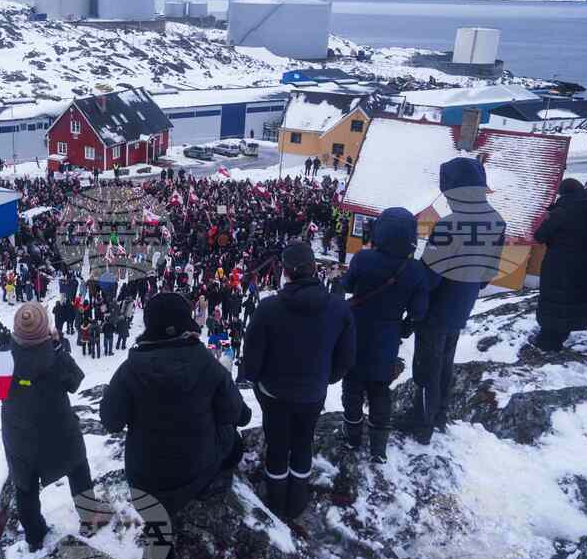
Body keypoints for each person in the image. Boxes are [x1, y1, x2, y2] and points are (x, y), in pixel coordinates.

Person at [100, 293, 251, 517]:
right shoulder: (207, 363)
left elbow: (111, 421)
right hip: (196, 472)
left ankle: (161, 538)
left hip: (145, 479)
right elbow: (239, 415)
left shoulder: (130, 369)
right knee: (233, 440)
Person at [396, 158, 505, 444]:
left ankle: (422, 423)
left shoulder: (449, 226)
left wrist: (415, 290)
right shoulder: (496, 221)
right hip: (462, 303)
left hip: (437, 307)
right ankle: (439, 415)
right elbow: (489, 273)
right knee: (445, 362)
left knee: (426, 366)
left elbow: (430, 276)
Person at [244, 241, 356, 520]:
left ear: (287, 272)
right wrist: (324, 380)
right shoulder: (338, 308)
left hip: (274, 393)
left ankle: (276, 500)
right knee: (303, 441)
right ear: (313, 269)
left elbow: (252, 357)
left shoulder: (268, 308)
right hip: (313, 392)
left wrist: (256, 381)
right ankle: (296, 502)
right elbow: (346, 356)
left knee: (278, 443)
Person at [2, 302, 97, 552]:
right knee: (78, 469)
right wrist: (56, 345)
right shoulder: (53, 356)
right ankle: (89, 519)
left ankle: (34, 536)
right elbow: (75, 380)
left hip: (19, 435)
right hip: (59, 432)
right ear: (45, 329)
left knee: (25, 487)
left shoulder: (4, 357)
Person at [340, 208, 428, 463]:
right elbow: (418, 311)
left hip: (357, 330)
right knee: (380, 388)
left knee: (352, 385)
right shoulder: (415, 270)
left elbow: (347, 286)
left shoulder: (362, 259)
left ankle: (352, 436)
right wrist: (404, 327)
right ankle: (378, 447)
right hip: (388, 336)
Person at [533, 178, 587, 350]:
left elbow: (540, 236)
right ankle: (563, 334)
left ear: (563, 194)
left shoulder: (560, 212)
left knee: (555, 298)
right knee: (574, 298)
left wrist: (550, 215)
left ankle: (548, 342)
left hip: (559, 265)